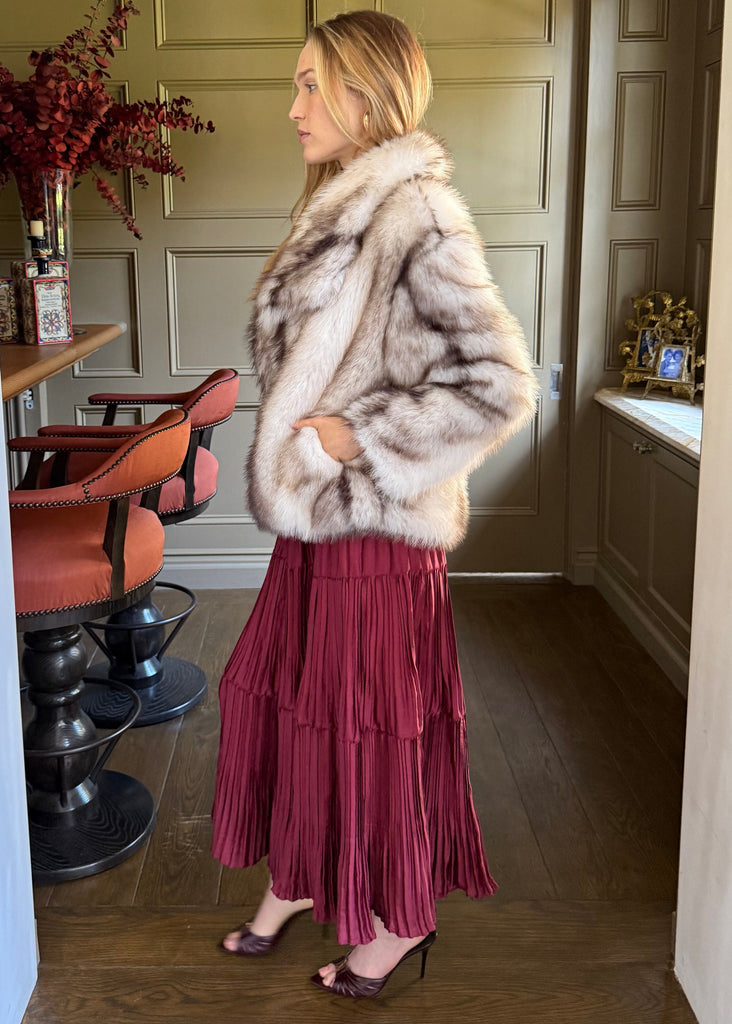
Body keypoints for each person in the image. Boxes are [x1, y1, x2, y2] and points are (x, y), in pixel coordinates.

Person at [211, 9, 539, 999]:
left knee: (364, 722)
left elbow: (500, 386)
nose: (293, 106)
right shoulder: (344, 205)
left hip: (376, 528)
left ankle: (400, 918)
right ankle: (305, 871)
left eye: (310, 84)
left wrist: (359, 438)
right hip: (319, 518)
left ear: (367, 94)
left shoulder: (415, 214)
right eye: (298, 83)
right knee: (291, 698)